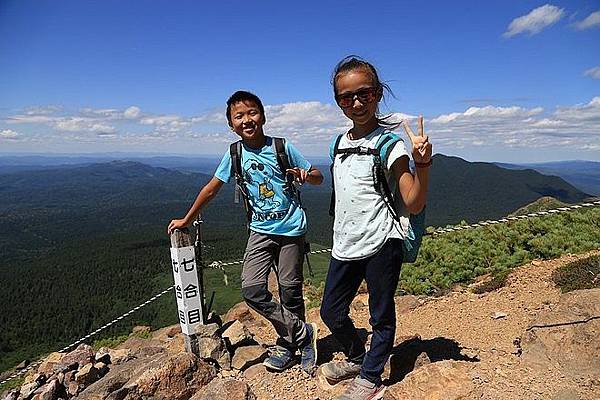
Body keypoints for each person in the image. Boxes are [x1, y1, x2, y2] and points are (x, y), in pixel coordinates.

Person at [168, 90, 323, 374]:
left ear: (262, 116)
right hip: (260, 231)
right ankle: (303, 333)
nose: (246, 119)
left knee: (290, 291)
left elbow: (317, 176)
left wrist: (305, 175)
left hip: (291, 230)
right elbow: (212, 188)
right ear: (231, 124)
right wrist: (187, 219)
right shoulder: (234, 153)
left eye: (252, 113)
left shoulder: (282, 146)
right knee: (251, 289)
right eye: (239, 116)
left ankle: (291, 345)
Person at [319, 56, 432, 399]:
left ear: (378, 93)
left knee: (380, 315)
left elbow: (413, 201)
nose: (355, 102)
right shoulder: (338, 143)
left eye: (364, 94)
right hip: (346, 242)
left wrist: (423, 163)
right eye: (345, 97)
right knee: (330, 311)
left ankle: (370, 378)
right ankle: (358, 354)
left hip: (383, 241)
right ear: (338, 101)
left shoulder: (390, 145)